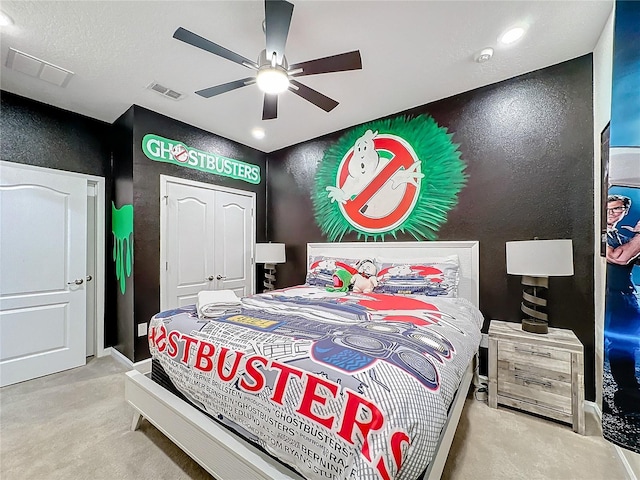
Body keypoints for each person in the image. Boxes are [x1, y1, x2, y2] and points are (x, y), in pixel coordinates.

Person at [604, 194, 640, 411]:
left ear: (625, 211)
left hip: (626, 295)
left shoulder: (620, 235)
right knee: (618, 344)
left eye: (617, 209)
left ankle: (628, 392)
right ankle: (627, 391)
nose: (612, 213)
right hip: (611, 296)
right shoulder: (599, 235)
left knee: (627, 345)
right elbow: (619, 258)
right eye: (609, 209)